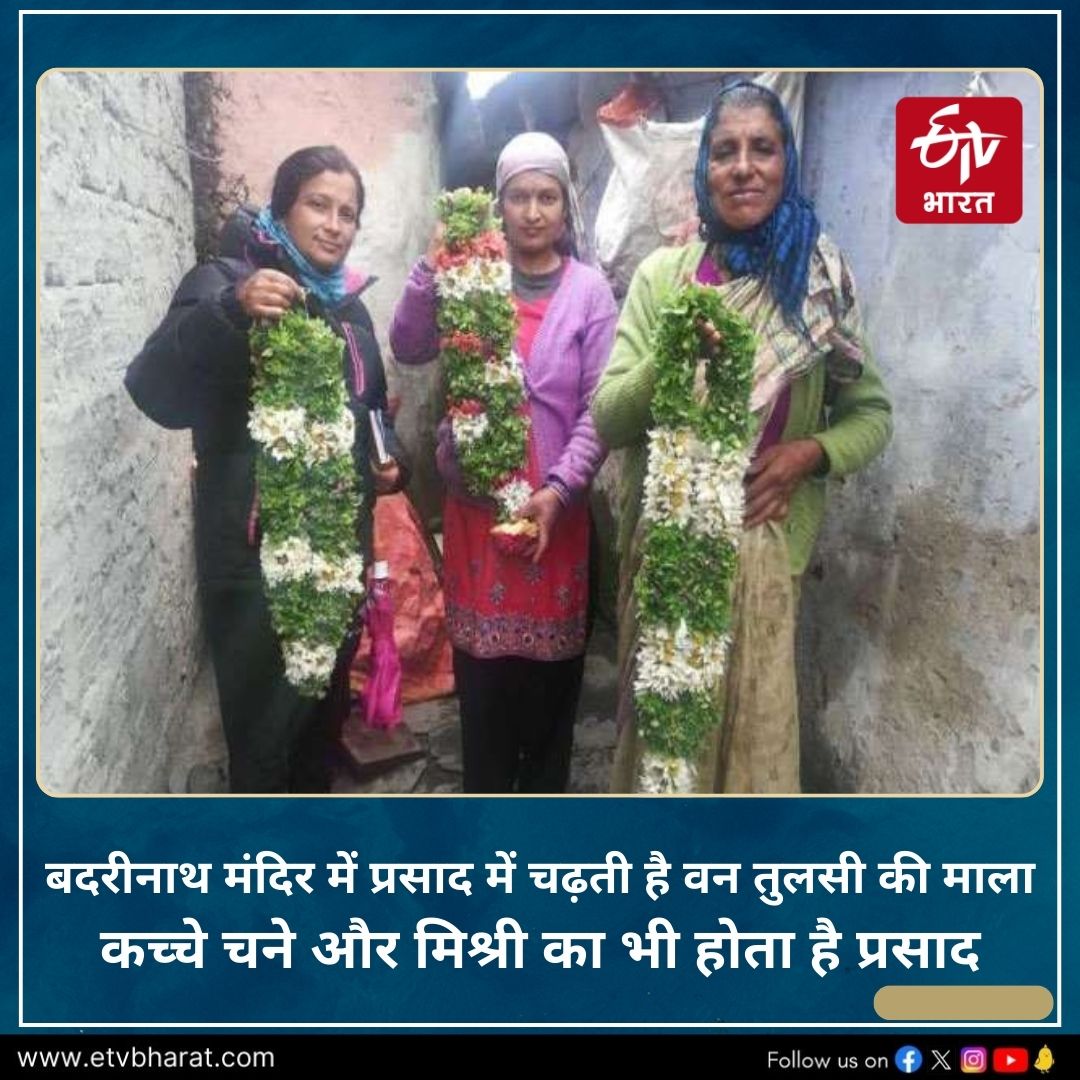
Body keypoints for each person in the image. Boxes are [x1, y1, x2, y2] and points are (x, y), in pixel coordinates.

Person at [591, 82, 893, 793]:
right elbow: (607, 417)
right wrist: (669, 358)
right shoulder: (664, 278)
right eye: (724, 151)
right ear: (703, 170)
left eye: (763, 147)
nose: (744, 166)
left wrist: (809, 455)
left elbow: (872, 416)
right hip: (664, 554)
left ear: (787, 161)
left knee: (752, 755)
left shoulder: (820, 285)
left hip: (765, 553)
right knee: (664, 761)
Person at [125, 145, 407, 793]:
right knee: (262, 743)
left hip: (336, 560)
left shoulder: (351, 310)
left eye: (349, 213)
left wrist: (393, 464)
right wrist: (233, 310)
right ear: (282, 207)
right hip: (253, 565)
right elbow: (153, 390)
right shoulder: (224, 282)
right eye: (318, 204)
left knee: (319, 731)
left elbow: (372, 416)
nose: (335, 223)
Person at [390, 131, 618, 793]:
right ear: (499, 204)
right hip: (476, 517)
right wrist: (430, 269)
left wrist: (559, 487)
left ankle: (541, 819)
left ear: (565, 205)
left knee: (547, 698)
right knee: (485, 697)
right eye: (519, 196)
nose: (533, 211)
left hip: (556, 519)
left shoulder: (588, 294)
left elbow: (597, 411)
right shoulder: (469, 277)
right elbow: (408, 346)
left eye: (547, 195)